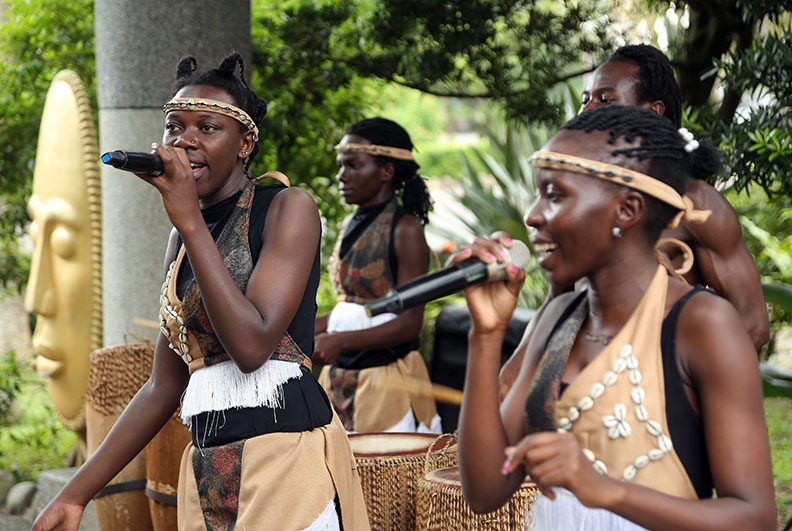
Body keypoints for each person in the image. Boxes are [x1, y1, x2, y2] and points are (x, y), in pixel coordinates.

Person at [34, 52, 369, 531]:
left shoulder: (287, 208)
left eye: (207, 128)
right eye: (175, 126)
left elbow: (253, 348)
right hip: (207, 468)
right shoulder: (183, 236)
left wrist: (190, 220)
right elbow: (163, 386)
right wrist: (74, 496)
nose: (185, 140)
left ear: (245, 142)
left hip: (286, 460)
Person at [455, 105, 776, 530]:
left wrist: (607, 489)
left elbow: (754, 519)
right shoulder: (558, 317)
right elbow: (485, 492)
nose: (532, 216)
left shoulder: (702, 323)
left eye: (554, 195)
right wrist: (487, 334)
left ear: (626, 209)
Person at [498, 44, 769, 401]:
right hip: (575, 399)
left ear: (654, 113)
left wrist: (665, 398)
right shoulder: (578, 208)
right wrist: (506, 383)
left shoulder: (695, 203)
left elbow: (752, 326)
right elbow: (559, 304)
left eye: (605, 100)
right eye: (585, 99)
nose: (588, 110)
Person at [314, 117, 441, 433]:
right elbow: (351, 308)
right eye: (341, 165)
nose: (342, 175)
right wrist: (292, 331)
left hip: (387, 384)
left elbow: (410, 323)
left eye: (353, 165)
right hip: (340, 379)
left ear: (386, 171)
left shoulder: (405, 229)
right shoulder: (352, 223)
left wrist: (339, 341)